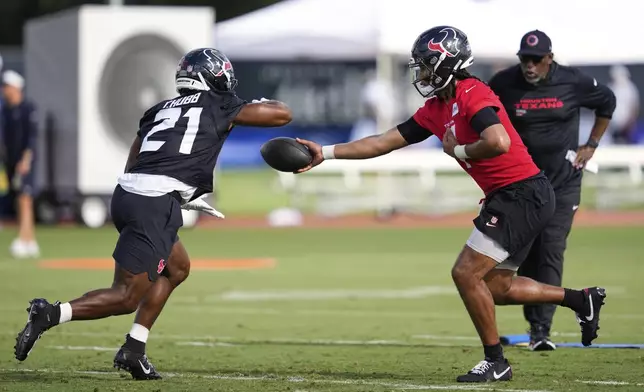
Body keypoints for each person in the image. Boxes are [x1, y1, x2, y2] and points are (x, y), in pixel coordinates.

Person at [294, 26, 606, 383]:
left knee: (465, 273)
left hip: (521, 194)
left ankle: (495, 361)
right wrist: (328, 153)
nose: (421, 73)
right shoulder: (436, 108)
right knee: (495, 287)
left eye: (426, 65)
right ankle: (581, 299)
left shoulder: (473, 93)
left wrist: (458, 150)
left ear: (446, 63)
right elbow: (383, 142)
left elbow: (498, 141)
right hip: (516, 196)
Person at [14, 48, 292, 380]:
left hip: (130, 194)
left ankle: (134, 349)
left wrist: (177, 192)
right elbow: (281, 114)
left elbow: (135, 158)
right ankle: (49, 314)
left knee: (177, 268)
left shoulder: (158, 109)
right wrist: (166, 195)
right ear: (214, 74)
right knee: (126, 295)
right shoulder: (220, 104)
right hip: (154, 202)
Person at [488, 30, 616, 351]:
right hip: (522, 185)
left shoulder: (573, 81)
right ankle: (537, 324)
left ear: (549, 58)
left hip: (563, 182)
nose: (529, 66)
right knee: (525, 251)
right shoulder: (504, 83)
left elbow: (607, 102)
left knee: (550, 247)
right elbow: (484, 113)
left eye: (536, 60)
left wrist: (592, 144)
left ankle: (541, 331)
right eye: (524, 60)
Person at [1, 70, 40, 258]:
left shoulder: (27, 108)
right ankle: (29, 239)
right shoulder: (6, 110)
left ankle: (24, 237)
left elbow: (31, 138)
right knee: (20, 198)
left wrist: (25, 160)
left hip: (25, 161)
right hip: (11, 161)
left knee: (25, 198)